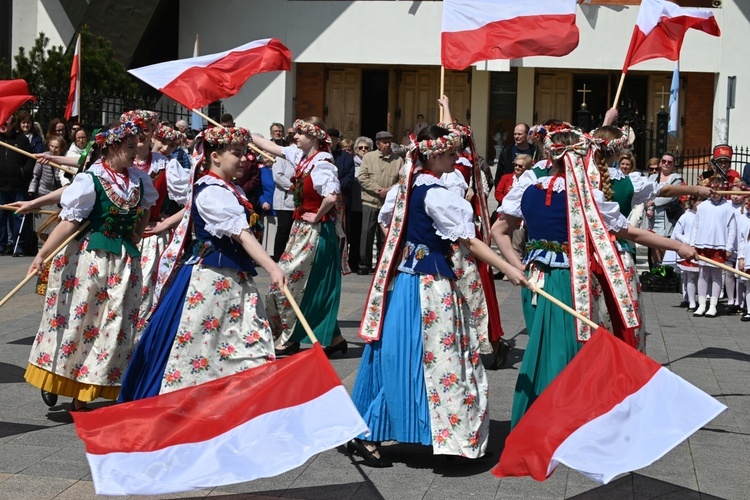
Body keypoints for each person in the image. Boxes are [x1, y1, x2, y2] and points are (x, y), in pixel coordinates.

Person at [492, 124, 697, 427]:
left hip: (533, 281)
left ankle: (539, 420)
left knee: (541, 347)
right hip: (568, 280)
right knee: (568, 349)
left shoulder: (528, 187)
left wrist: (516, 266)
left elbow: (499, 231)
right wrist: (678, 245)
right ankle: (561, 424)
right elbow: (630, 232)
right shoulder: (586, 197)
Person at [348, 125, 528, 467]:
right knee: (441, 357)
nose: (456, 157)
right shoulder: (435, 193)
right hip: (431, 287)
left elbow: (390, 225)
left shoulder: (407, 187)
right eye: (449, 153)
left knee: (404, 355)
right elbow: (469, 241)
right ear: (433, 155)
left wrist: (412, 250)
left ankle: (384, 430)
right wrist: (510, 268)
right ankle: (449, 436)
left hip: (406, 281)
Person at [119, 126, 285, 401]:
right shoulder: (212, 191)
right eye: (237, 153)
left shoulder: (227, 188)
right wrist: (272, 266)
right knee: (202, 342)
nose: (243, 158)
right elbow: (241, 235)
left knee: (235, 340)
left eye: (244, 153)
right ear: (215, 156)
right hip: (211, 278)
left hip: (230, 277)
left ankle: (234, 398)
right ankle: (196, 400)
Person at [24, 120, 158, 411]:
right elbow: (69, 221)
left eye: (136, 145)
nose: (136, 150)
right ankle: (56, 378)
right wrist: (42, 254)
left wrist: (137, 231)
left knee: (113, 325)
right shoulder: (91, 178)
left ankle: (84, 390)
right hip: (92, 260)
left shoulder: (138, 179)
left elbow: (145, 208)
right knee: (80, 321)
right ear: (111, 146)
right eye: (130, 146)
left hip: (124, 263)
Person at [252, 117, 347, 355]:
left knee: (291, 281)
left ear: (314, 138)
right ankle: (333, 339)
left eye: (300, 134)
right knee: (302, 284)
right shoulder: (301, 157)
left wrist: (316, 216)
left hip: (316, 233)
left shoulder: (323, 164)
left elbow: (332, 196)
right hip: (301, 230)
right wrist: (243, 133)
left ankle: (292, 337)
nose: (294, 137)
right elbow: (270, 146)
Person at [691, 176, 737, 318]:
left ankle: (713, 306)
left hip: (719, 245)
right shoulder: (702, 206)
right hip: (702, 244)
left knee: (717, 275)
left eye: (719, 189)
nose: (716, 192)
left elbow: (732, 229)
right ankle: (702, 304)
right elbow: (695, 226)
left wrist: (728, 248)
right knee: (703, 274)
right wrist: (692, 244)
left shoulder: (728, 208)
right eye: (713, 189)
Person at [358, 131, 403, 275]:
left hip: (388, 204)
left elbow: (402, 180)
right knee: (366, 233)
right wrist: (378, 190)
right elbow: (362, 177)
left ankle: (382, 263)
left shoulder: (398, 160)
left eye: (389, 141)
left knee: (385, 235)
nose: (387, 144)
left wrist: (388, 190)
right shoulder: (368, 158)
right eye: (384, 142)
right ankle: (364, 264)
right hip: (370, 201)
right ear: (377, 144)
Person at [0, 113, 35, 256]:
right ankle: (1, 246)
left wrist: (23, 173)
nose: (3, 126)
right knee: (0, 217)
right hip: (0, 186)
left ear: (13, 124)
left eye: (6, 123)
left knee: (18, 217)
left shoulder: (21, 140)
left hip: (17, 185)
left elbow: (30, 159)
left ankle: (18, 247)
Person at [27, 136, 70, 238]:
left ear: (61, 148)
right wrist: (31, 191)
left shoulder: (65, 159)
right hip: (42, 195)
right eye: (51, 146)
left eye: (56, 147)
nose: (53, 149)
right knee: (41, 230)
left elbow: (66, 178)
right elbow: (35, 176)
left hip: (57, 198)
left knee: (54, 230)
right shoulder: (44, 157)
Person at [494, 153, 532, 262]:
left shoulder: (528, 181)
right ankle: (505, 268)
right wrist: (509, 198)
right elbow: (498, 193)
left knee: (517, 243)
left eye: (520, 166)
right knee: (504, 242)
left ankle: (517, 267)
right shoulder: (506, 178)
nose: (517, 167)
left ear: (527, 168)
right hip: (506, 214)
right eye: (516, 165)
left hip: (519, 218)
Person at [348, 136, 372, 271]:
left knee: (367, 235)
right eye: (360, 148)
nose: (363, 150)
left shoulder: (373, 162)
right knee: (356, 235)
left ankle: (366, 262)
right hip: (355, 204)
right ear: (356, 150)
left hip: (370, 203)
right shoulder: (351, 163)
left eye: (366, 148)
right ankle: (353, 262)